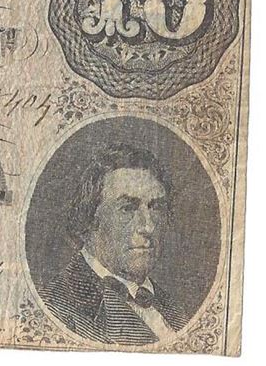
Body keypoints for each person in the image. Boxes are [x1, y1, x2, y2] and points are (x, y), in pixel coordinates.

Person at [43, 145, 187, 345]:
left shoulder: (174, 309)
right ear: (90, 218)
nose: (148, 226)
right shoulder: (56, 305)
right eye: (127, 208)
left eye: (155, 208)